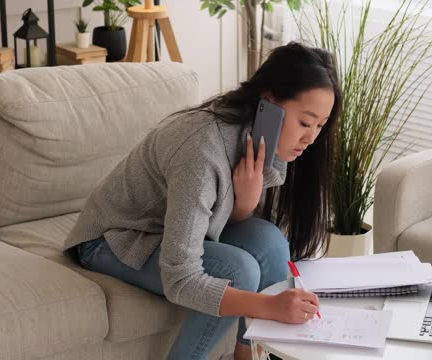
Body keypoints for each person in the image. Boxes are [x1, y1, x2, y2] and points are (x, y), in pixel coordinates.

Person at [63, 41, 342, 360]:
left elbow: (212, 221)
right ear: (269, 102)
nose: (311, 138)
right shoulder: (202, 151)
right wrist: (269, 306)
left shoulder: (260, 137)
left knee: (271, 243)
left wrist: (244, 205)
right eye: (305, 123)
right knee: (239, 271)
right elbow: (179, 278)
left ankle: (248, 356)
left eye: (320, 125)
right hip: (113, 239)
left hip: (165, 230)